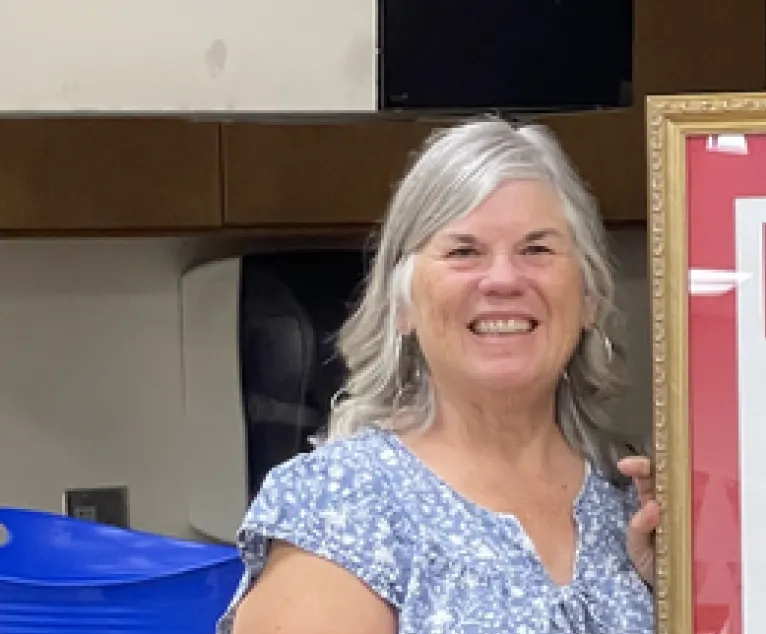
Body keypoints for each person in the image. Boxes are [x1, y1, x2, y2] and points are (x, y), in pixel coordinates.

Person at [219, 118, 662, 634]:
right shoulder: (341, 505)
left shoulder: (634, 502)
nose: (503, 280)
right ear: (401, 305)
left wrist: (691, 594)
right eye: (464, 251)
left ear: (590, 299)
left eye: (536, 249)